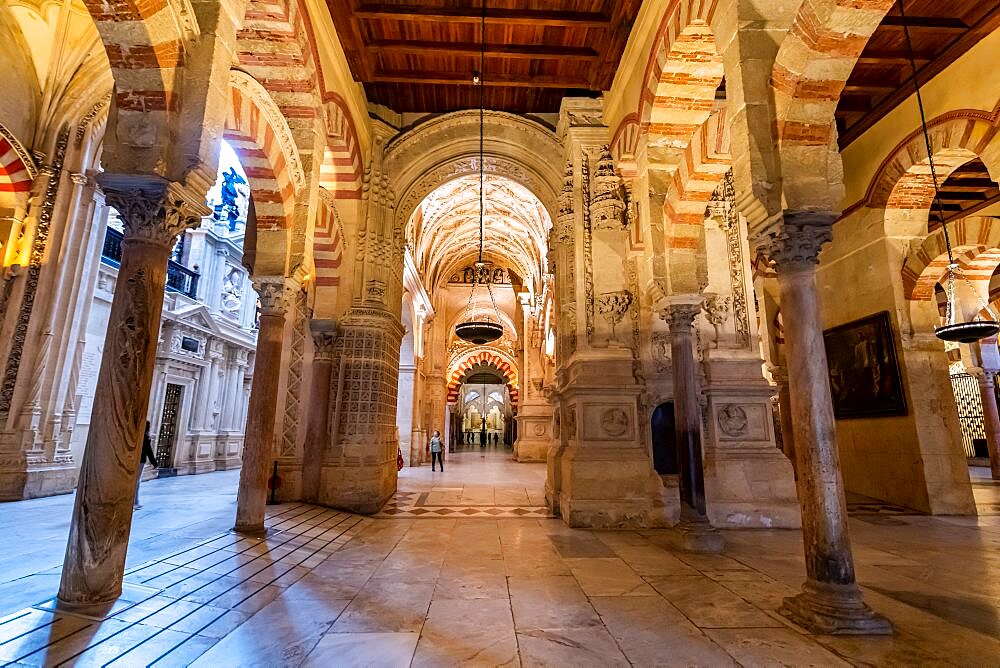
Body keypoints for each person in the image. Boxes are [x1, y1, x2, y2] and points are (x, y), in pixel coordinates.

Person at [134, 421, 158, 509]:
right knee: (137, 481)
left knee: (135, 480)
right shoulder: (146, 438)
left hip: (133, 459)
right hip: (141, 461)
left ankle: (135, 501)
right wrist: (154, 463)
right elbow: (149, 451)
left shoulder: (136, 436)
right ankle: (135, 502)